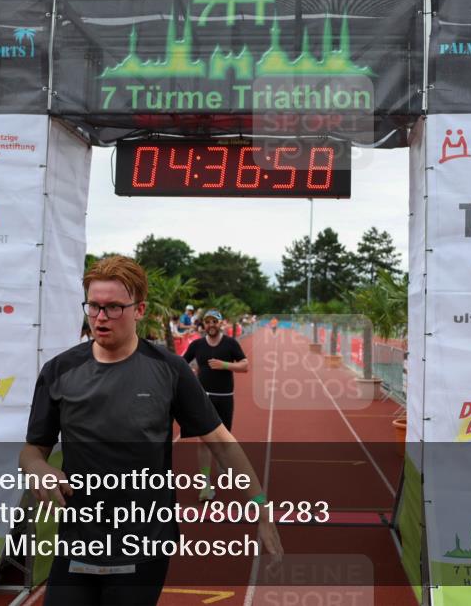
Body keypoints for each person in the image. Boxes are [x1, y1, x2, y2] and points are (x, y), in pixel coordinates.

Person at [19, 256, 280, 606]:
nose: (100, 317)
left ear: (139, 310)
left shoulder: (169, 370)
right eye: (94, 306)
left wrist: (261, 508)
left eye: (114, 307)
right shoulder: (59, 371)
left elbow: (220, 441)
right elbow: (32, 449)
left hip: (144, 544)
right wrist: (37, 468)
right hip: (77, 541)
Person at [181, 309, 249, 501]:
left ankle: (221, 464)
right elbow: (181, 363)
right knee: (203, 441)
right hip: (204, 398)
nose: (211, 325)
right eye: (208, 322)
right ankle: (205, 483)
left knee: (224, 438)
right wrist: (188, 376)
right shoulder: (197, 345)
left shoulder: (230, 343)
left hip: (225, 397)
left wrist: (225, 365)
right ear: (204, 324)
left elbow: (245, 365)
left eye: (214, 322)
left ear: (221, 323)